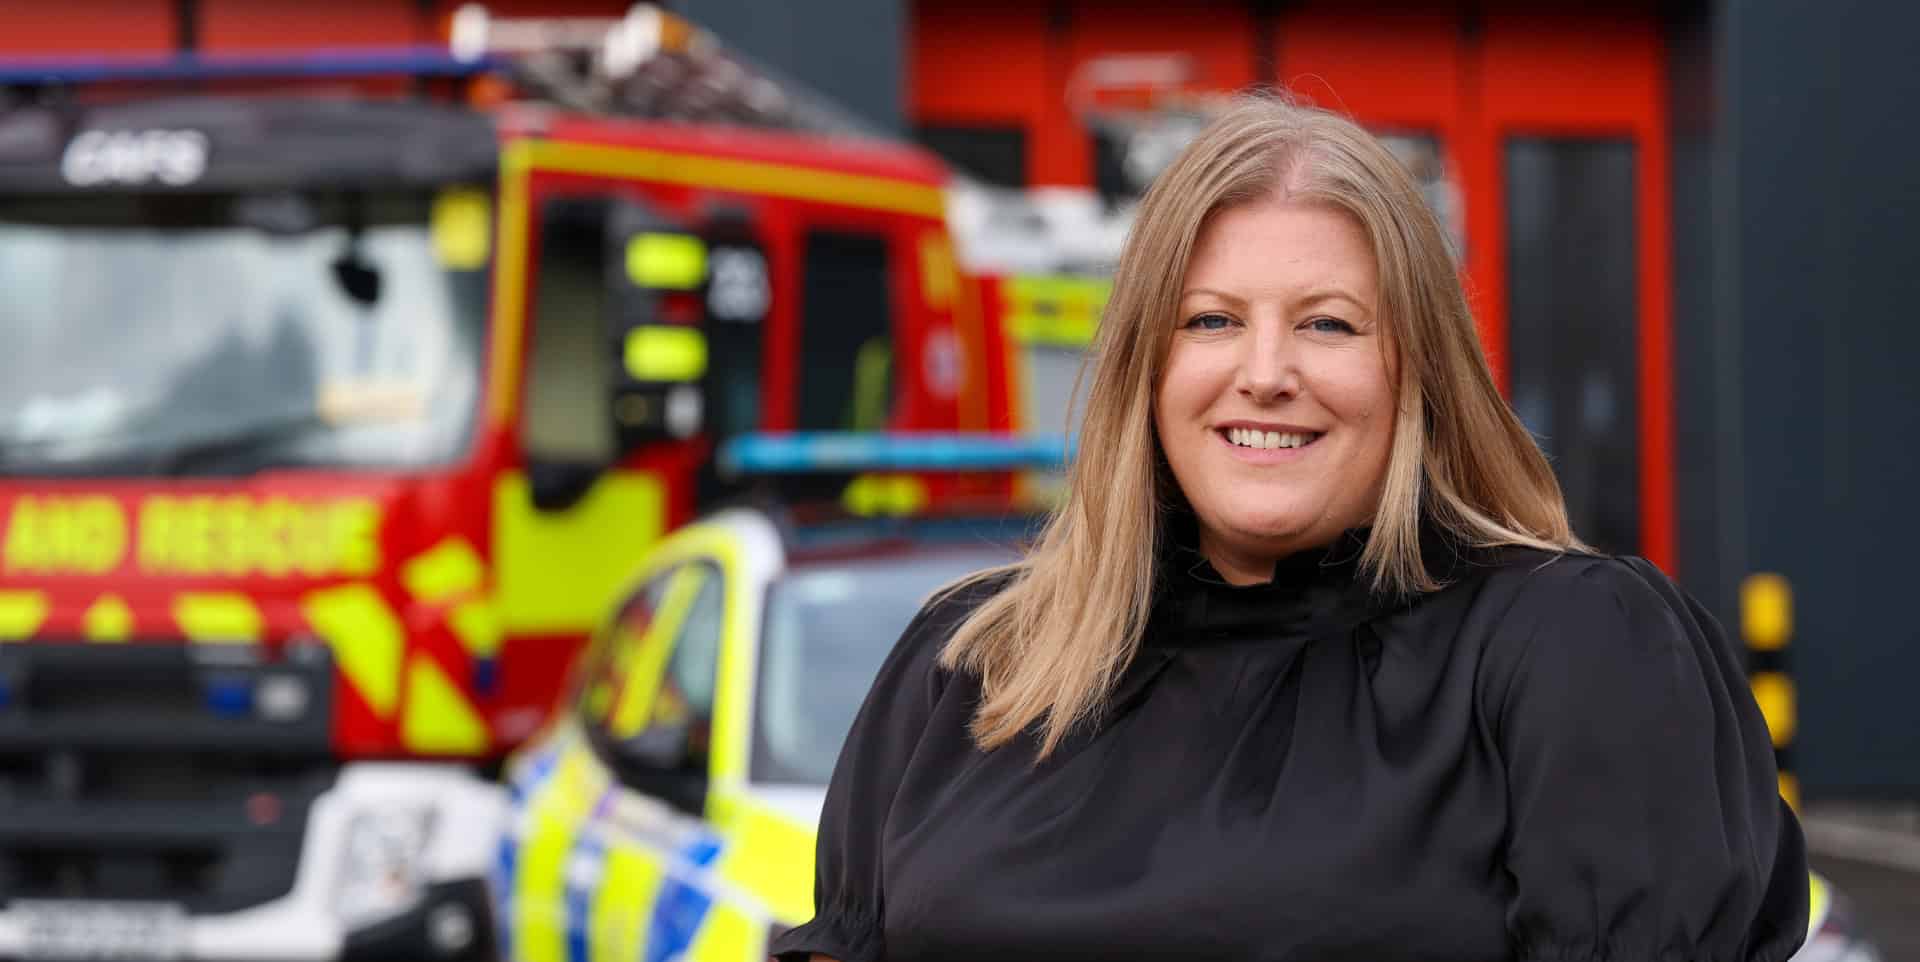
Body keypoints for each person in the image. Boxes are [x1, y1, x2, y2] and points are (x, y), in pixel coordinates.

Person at [770, 95, 1807, 962]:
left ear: (1418, 371)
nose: (1265, 372)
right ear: (1146, 367)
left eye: (1329, 322)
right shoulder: (970, 665)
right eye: (1212, 319)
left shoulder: (1571, 650)